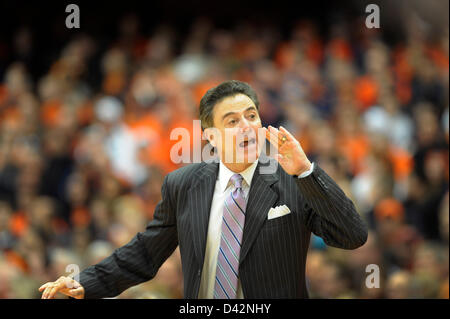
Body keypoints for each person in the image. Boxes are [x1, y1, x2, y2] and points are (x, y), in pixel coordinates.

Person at [39, 80, 368, 299]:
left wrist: (306, 172)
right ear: (211, 137)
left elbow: (352, 235)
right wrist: (84, 282)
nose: (247, 126)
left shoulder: (292, 180)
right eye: (232, 120)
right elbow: (144, 254)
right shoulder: (183, 184)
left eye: (252, 115)